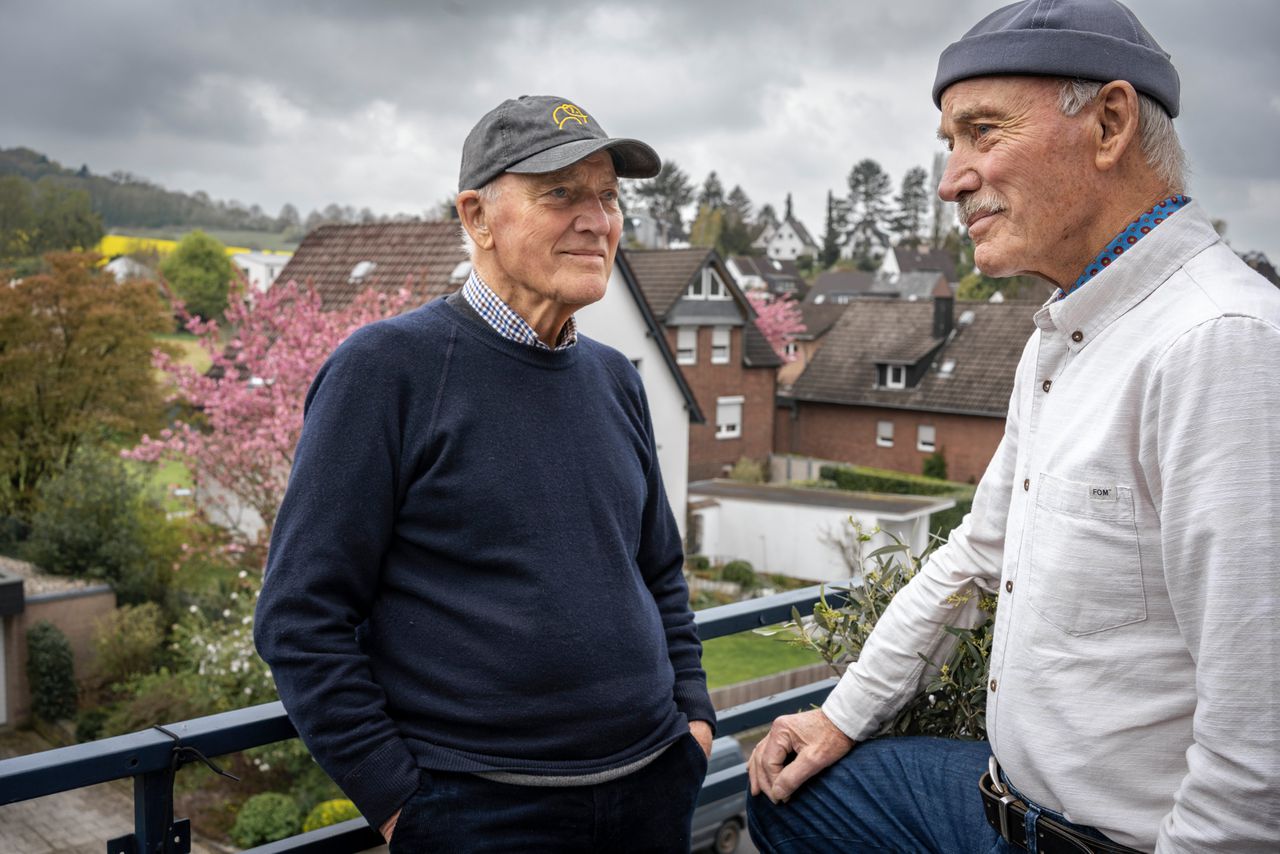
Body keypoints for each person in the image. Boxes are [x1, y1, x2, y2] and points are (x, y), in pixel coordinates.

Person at [746, 2, 1280, 852]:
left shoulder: (1223, 342)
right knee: (797, 801)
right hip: (1002, 801)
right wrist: (839, 715)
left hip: (1114, 837)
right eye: (947, 144)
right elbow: (973, 558)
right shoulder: (1064, 337)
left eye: (982, 133)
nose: (952, 179)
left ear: (1109, 123)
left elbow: (1260, 740)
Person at [255, 94, 715, 853]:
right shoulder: (385, 370)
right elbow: (301, 616)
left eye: (608, 196)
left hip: (652, 785)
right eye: (561, 193)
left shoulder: (615, 378)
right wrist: (403, 803)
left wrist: (692, 724)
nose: (596, 220)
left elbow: (660, 571)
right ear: (477, 217)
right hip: (482, 814)